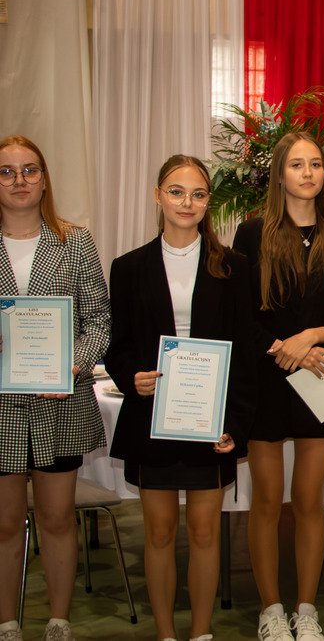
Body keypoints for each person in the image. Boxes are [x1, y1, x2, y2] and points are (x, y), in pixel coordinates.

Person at [106, 155, 256, 641]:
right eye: (176, 191)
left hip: (211, 422)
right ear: (157, 196)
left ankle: (202, 633)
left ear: (208, 202)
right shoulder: (128, 268)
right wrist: (132, 377)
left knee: (206, 533)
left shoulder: (233, 267)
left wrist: (235, 424)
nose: (186, 202)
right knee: (159, 533)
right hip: (153, 418)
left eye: (197, 194)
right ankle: (166, 634)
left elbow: (246, 353)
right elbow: (117, 345)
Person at [232, 132, 324, 641]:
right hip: (267, 380)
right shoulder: (252, 233)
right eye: (296, 165)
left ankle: (306, 610)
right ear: (279, 175)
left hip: (321, 379)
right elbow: (242, 317)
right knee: (267, 502)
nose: (307, 173)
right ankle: (271, 610)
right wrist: (283, 348)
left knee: (310, 501)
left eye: (315, 164)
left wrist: (312, 338)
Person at [0, 135, 111, 641]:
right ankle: (7, 625)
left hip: (59, 403)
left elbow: (99, 320)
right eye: (7, 171)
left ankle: (59, 622)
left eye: (29, 170)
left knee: (58, 519)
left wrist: (73, 366)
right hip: (2, 406)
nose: (19, 180)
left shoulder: (75, 241)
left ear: (44, 178)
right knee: (5, 524)